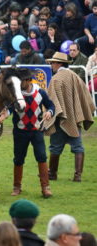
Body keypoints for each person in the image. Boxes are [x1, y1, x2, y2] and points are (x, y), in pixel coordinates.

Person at [0, 68, 54, 198]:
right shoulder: (16, 94)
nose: (20, 83)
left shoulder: (40, 92)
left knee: (41, 157)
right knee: (18, 159)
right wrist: (5, 115)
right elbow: (10, 108)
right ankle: (17, 187)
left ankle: (45, 187)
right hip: (20, 132)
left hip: (37, 131)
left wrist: (49, 112)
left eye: (22, 81)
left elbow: (51, 105)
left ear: (28, 80)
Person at [44, 52, 95, 182]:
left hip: (60, 118)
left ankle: (52, 174)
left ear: (59, 63)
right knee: (78, 146)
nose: (51, 65)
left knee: (55, 147)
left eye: (53, 62)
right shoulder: (75, 76)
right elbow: (85, 95)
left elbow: (52, 102)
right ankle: (78, 176)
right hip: (74, 118)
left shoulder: (56, 79)